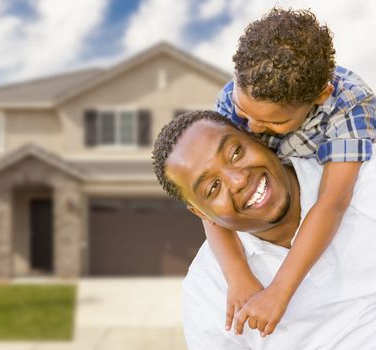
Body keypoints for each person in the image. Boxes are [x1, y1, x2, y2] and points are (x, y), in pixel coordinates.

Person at [205, 8, 376, 336]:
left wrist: (279, 291)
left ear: (319, 96)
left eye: (273, 122)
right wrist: (237, 274)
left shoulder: (350, 104)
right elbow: (205, 195)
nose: (252, 127)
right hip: (273, 196)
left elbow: (333, 201)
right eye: (244, 112)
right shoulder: (233, 98)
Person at [152, 111, 376, 349]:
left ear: (257, 137)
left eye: (235, 153)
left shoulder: (363, 178)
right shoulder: (207, 289)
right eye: (213, 187)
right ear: (202, 214)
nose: (238, 180)